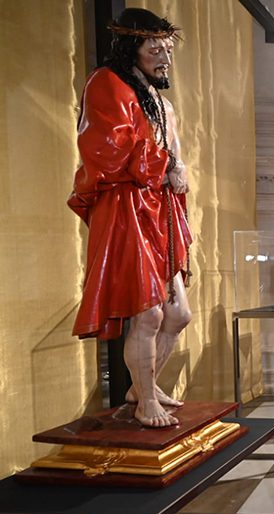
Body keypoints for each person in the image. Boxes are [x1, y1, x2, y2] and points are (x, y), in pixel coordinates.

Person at [68, 8, 190, 427]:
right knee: (150, 313)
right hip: (127, 205)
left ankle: (142, 385)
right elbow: (106, 147)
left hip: (160, 207)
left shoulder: (159, 98)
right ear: (131, 46)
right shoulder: (107, 83)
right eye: (154, 48)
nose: (163, 57)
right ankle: (143, 402)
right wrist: (166, 162)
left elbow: (172, 149)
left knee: (179, 314)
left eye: (167, 49)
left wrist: (178, 168)